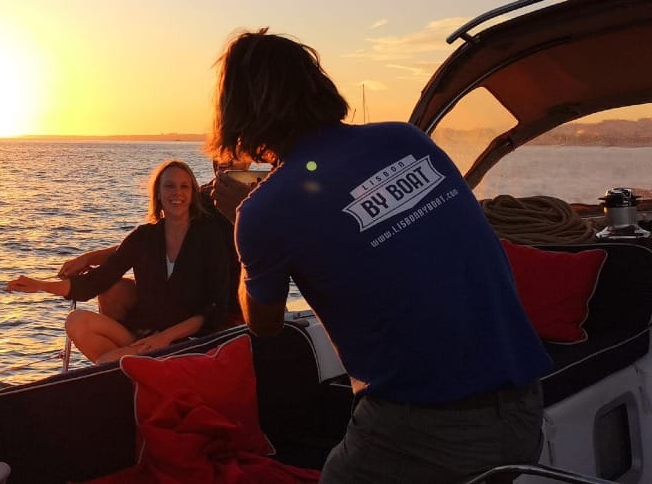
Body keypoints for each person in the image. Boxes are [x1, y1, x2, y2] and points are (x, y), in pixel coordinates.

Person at [208, 28, 551, 484]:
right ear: (318, 85)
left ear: (240, 112)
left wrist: (241, 228)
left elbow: (263, 324)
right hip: (524, 406)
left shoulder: (263, 211)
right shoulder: (406, 140)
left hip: (426, 429)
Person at [7, 160, 232, 364]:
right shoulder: (144, 236)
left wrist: (165, 338)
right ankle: (137, 364)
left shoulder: (208, 236)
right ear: (158, 194)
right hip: (145, 335)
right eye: (169, 186)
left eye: (184, 187)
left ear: (193, 193)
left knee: (106, 364)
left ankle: (131, 367)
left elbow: (213, 308)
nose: (177, 193)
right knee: (76, 321)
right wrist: (41, 285)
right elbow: (96, 282)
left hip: (187, 340)